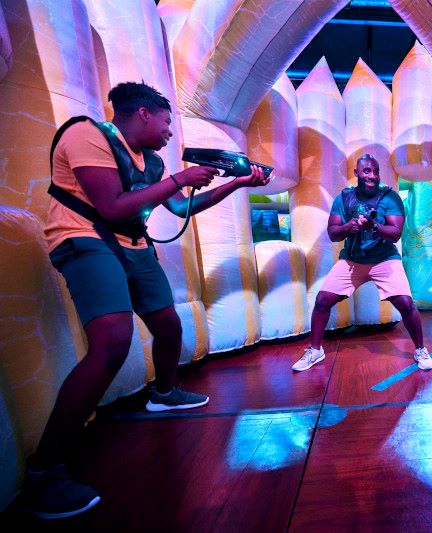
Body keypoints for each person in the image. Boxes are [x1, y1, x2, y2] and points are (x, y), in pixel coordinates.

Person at [22, 81, 270, 519]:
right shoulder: (87, 134)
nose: (170, 132)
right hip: (84, 240)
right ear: (142, 114)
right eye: (166, 121)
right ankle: (44, 470)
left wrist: (236, 185)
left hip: (133, 247)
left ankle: (164, 392)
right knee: (113, 342)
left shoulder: (152, 162)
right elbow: (113, 205)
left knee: (169, 325)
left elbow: (180, 210)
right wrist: (180, 177)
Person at [292, 154, 432, 372]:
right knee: (322, 301)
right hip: (352, 260)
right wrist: (349, 227)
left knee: (405, 303)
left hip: (384, 259)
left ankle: (420, 349)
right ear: (357, 173)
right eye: (367, 171)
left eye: (376, 171)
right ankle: (315, 350)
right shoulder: (344, 198)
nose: (372, 176)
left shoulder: (390, 198)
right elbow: (333, 233)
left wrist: (373, 227)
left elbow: (395, 234)